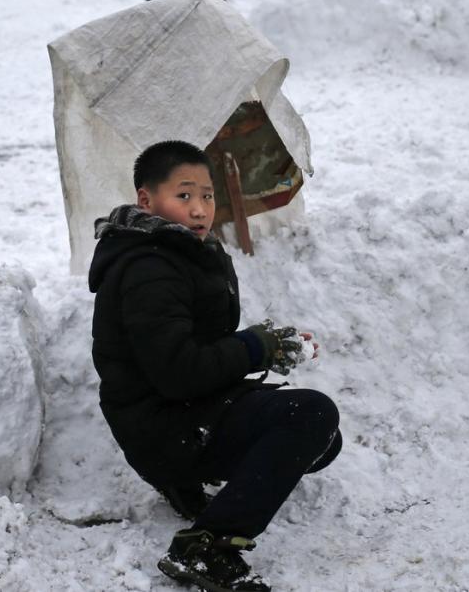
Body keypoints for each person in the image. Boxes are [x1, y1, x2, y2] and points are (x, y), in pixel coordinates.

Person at [89, 141, 342, 592]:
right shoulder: (148, 267)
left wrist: (269, 346)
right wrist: (252, 348)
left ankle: (187, 484)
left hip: (189, 409)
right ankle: (205, 547)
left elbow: (198, 349)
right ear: (146, 200)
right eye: (183, 196)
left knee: (325, 441)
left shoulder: (185, 251)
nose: (200, 208)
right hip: (162, 425)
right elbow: (177, 372)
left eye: (207, 195)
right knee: (310, 415)